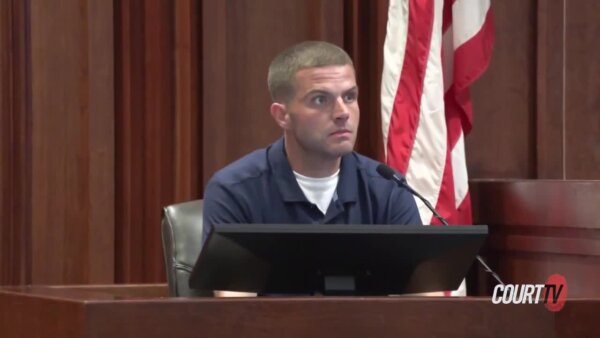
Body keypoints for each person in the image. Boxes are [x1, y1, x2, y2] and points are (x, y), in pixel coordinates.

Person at [202, 40, 421, 245]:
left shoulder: (389, 188)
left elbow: (423, 285)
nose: (342, 113)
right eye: (320, 99)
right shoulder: (235, 190)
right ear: (282, 115)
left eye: (349, 97)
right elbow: (232, 287)